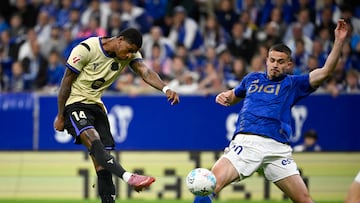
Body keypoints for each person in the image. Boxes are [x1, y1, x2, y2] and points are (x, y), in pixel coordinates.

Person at [193, 19, 348, 203]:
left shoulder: (293, 84)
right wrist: (225, 96)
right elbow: (234, 96)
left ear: (289, 65)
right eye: (272, 60)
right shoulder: (252, 79)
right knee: (208, 186)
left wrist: (338, 41)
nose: (275, 65)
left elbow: (326, 71)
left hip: (277, 149)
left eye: (280, 62)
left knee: (305, 200)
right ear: (266, 60)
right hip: (247, 143)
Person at [53, 27, 180, 203]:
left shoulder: (129, 55)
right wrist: (60, 116)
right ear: (119, 40)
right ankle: (128, 177)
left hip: (97, 106)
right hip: (74, 104)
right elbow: (66, 82)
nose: (129, 55)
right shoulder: (87, 49)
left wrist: (165, 88)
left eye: (133, 53)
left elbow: (145, 71)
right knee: (93, 139)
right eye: (129, 50)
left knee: (101, 164)